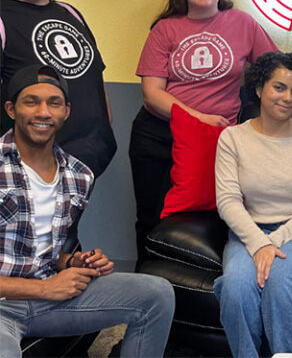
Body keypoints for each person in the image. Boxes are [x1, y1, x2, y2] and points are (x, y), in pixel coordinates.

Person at [130, 0, 292, 262]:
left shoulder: (242, 23)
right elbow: (152, 93)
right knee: (151, 216)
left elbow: (281, 69)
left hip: (212, 139)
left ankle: (228, 274)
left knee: (216, 209)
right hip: (159, 133)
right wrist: (200, 117)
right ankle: (151, 288)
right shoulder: (165, 29)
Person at [0, 64, 174, 358]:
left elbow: (42, 251)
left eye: (53, 103)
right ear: (11, 109)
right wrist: (45, 289)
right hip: (6, 306)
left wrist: (73, 262)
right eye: (31, 101)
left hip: (49, 300)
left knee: (156, 294)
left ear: (66, 111)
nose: (43, 112)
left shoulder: (78, 176)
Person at [213, 51, 292, 357]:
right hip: (250, 231)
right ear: (259, 89)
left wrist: (273, 242)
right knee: (235, 286)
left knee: (280, 281)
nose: (288, 98)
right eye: (279, 87)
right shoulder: (232, 138)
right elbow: (228, 201)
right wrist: (259, 243)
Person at [0, 0, 116, 178]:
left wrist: (105, 126)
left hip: (88, 157)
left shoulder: (69, 12)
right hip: (28, 165)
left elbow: (94, 74)